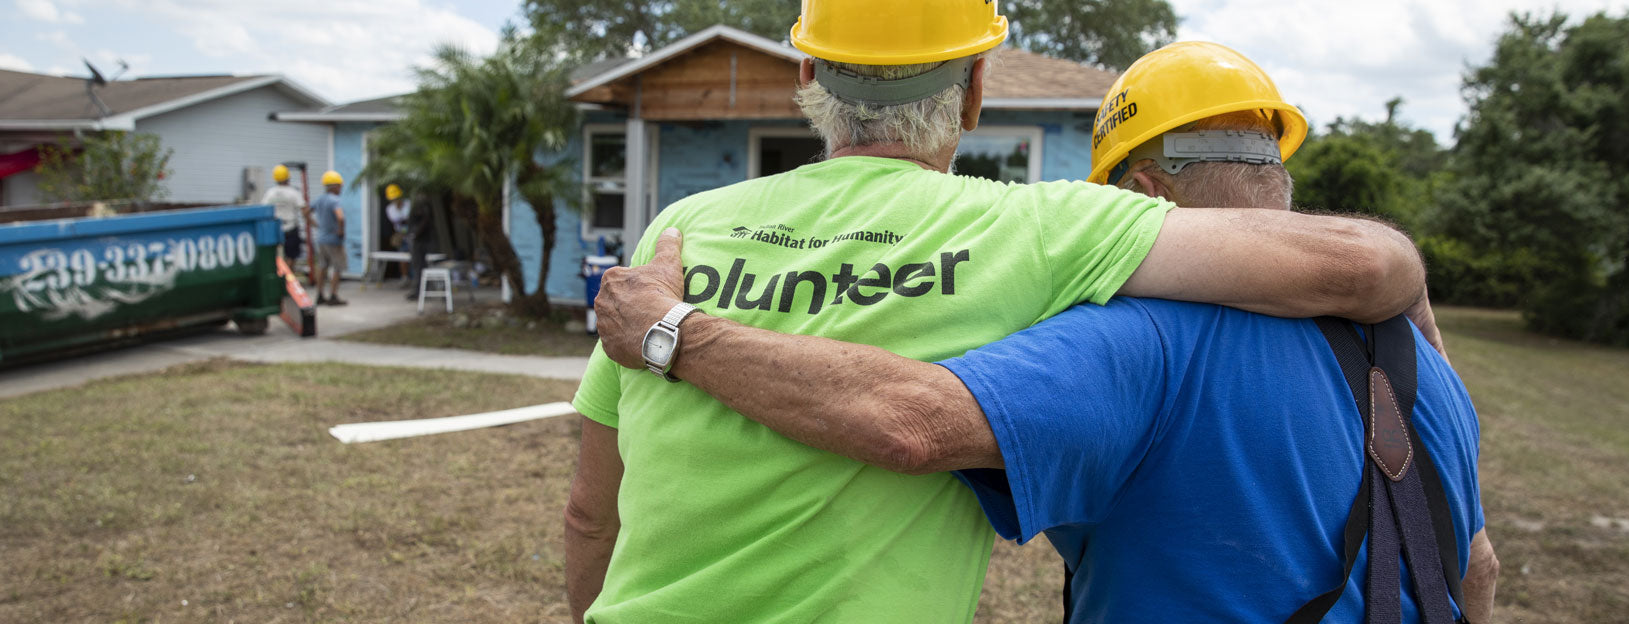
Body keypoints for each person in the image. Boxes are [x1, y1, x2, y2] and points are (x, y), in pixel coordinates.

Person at [564, 3, 1430, 621]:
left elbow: (589, 514)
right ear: (977, 87)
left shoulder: (680, 230)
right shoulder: (1038, 230)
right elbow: (1364, 264)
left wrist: (674, 329)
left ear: (806, 75)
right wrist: (1421, 349)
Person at [311, 170, 347, 306]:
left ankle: (320, 295)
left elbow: (306, 211)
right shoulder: (335, 200)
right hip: (333, 240)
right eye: (340, 186)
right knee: (337, 268)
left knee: (322, 267)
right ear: (335, 186)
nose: (341, 188)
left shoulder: (320, 199)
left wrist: (314, 224)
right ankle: (333, 296)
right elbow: (340, 217)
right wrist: (341, 231)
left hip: (321, 239)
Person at [261, 164, 306, 264]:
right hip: (291, 228)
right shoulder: (293, 192)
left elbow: (263, 209)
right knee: (291, 256)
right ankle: (288, 277)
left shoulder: (270, 193)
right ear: (288, 177)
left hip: (275, 228)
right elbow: (303, 209)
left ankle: (280, 275)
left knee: (276, 255)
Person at [383, 183, 412, 285]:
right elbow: (397, 220)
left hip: (411, 233)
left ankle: (416, 277)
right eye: (393, 199)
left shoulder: (408, 204)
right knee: (402, 256)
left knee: (414, 256)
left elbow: (409, 219)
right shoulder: (390, 209)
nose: (395, 200)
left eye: (396, 198)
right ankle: (405, 277)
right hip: (400, 234)